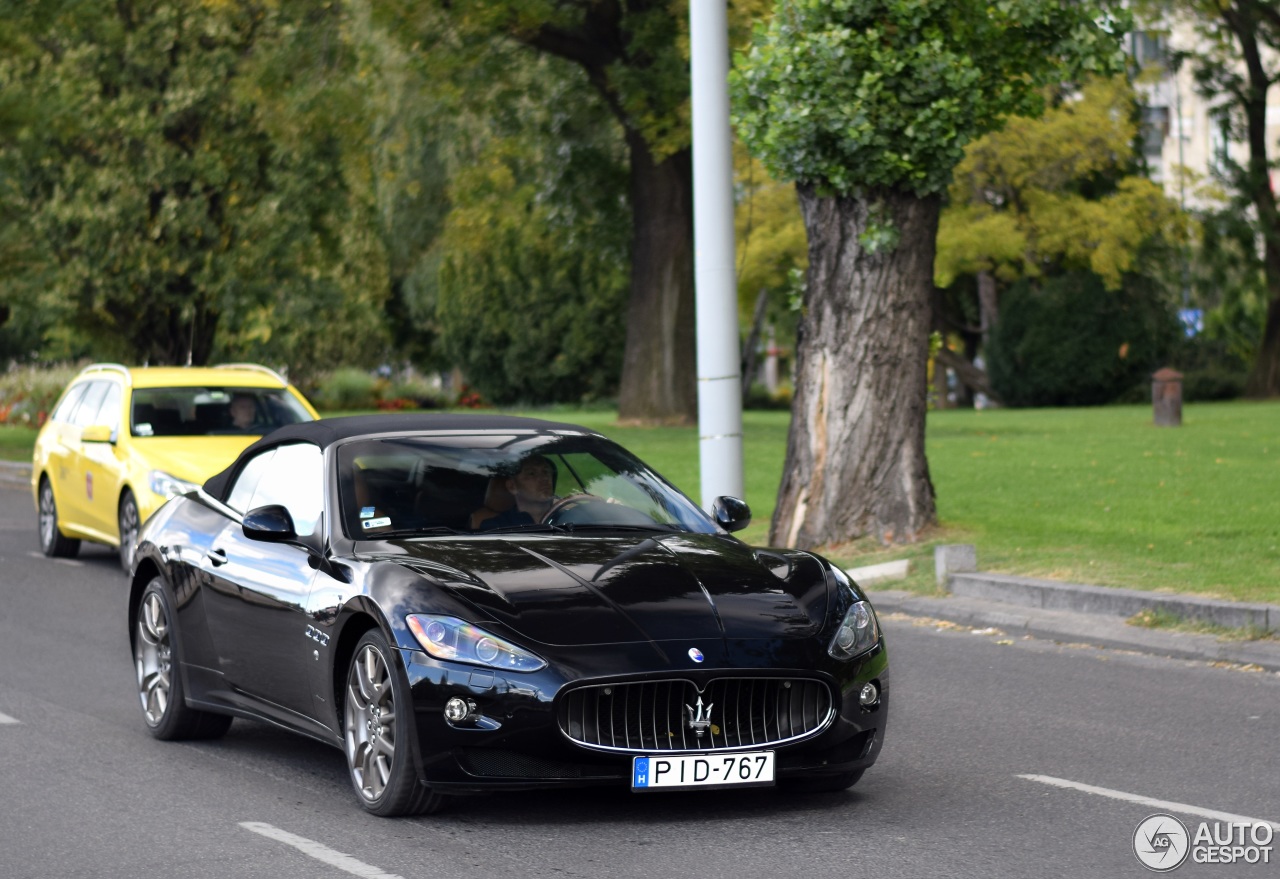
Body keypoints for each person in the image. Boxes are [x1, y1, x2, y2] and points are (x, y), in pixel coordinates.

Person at [480, 455, 557, 530]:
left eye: (546, 472)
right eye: (532, 474)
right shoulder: (496, 527)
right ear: (512, 486)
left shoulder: (566, 516)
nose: (544, 478)